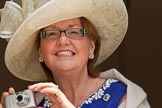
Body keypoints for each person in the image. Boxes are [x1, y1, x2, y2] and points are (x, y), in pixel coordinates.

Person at [0, 0, 150, 108]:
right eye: (51, 33)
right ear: (40, 51)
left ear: (91, 47)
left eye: (74, 32)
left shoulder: (127, 99)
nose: (63, 40)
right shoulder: (33, 104)